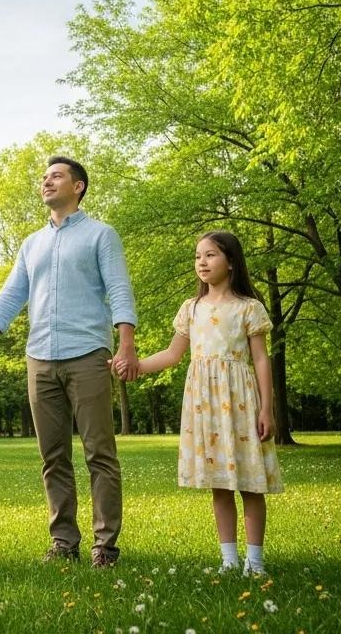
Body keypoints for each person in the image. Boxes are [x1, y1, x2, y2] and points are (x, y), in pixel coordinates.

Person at [0, 156, 138, 568]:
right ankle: (63, 542)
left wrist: (125, 345)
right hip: (39, 358)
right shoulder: (31, 243)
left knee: (100, 454)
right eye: (44, 177)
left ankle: (105, 547)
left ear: (78, 186)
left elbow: (120, 289)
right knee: (53, 456)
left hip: (88, 355)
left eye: (56, 176)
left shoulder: (101, 235)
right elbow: (10, 296)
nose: (46, 182)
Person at [133, 230, 283, 576]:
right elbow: (173, 355)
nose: (202, 262)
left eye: (211, 255)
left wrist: (266, 408)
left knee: (249, 483)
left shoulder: (249, 308)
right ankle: (229, 561)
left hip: (240, 401)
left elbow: (261, 360)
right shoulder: (192, 308)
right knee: (220, 483)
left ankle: (255, 562)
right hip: (205, 404)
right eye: (198, 256)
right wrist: (136, 366)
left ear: (230, 262)